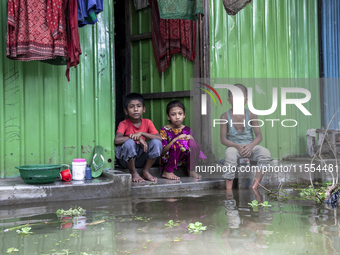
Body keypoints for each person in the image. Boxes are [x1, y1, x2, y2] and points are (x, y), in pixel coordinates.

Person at [220, 84, 271, 190]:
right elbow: (223, 139)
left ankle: (255, 186)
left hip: (250, 147)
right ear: (229, 100)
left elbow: (259, 136)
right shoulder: (224, 116)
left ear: (246, 99)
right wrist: (237, 146)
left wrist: (251, 146)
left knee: (265, 153)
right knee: (230, 156)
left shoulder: (252, 115)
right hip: (234, 147)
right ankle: (228, 190)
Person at [115, 93, 163, 182]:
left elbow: (159, 138)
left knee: (157, 142)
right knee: (129, 143)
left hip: (142, 158)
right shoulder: (124, 123)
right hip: (126, 160)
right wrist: (135, 138)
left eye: (139, 106)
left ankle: (146, 171)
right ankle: (133, 173)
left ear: (143, 109)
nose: (136, 109)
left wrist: (141, 133)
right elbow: (117, 140)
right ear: (126, 111)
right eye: (131, 107)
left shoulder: (147, 122)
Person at [160, 100, 206, 180]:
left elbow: (192, 147)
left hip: (183, 161)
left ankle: (190, 169)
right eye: (173, 114)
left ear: (184, 115)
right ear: (168, 117)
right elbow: (163, 151)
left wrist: (192, 139)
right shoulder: (165, 129)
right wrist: (176, 140)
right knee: (180, 142)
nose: (177, 117)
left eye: (180, 114)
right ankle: (167, 171)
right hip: (169, 159)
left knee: (192, 143)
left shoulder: (187, 130)